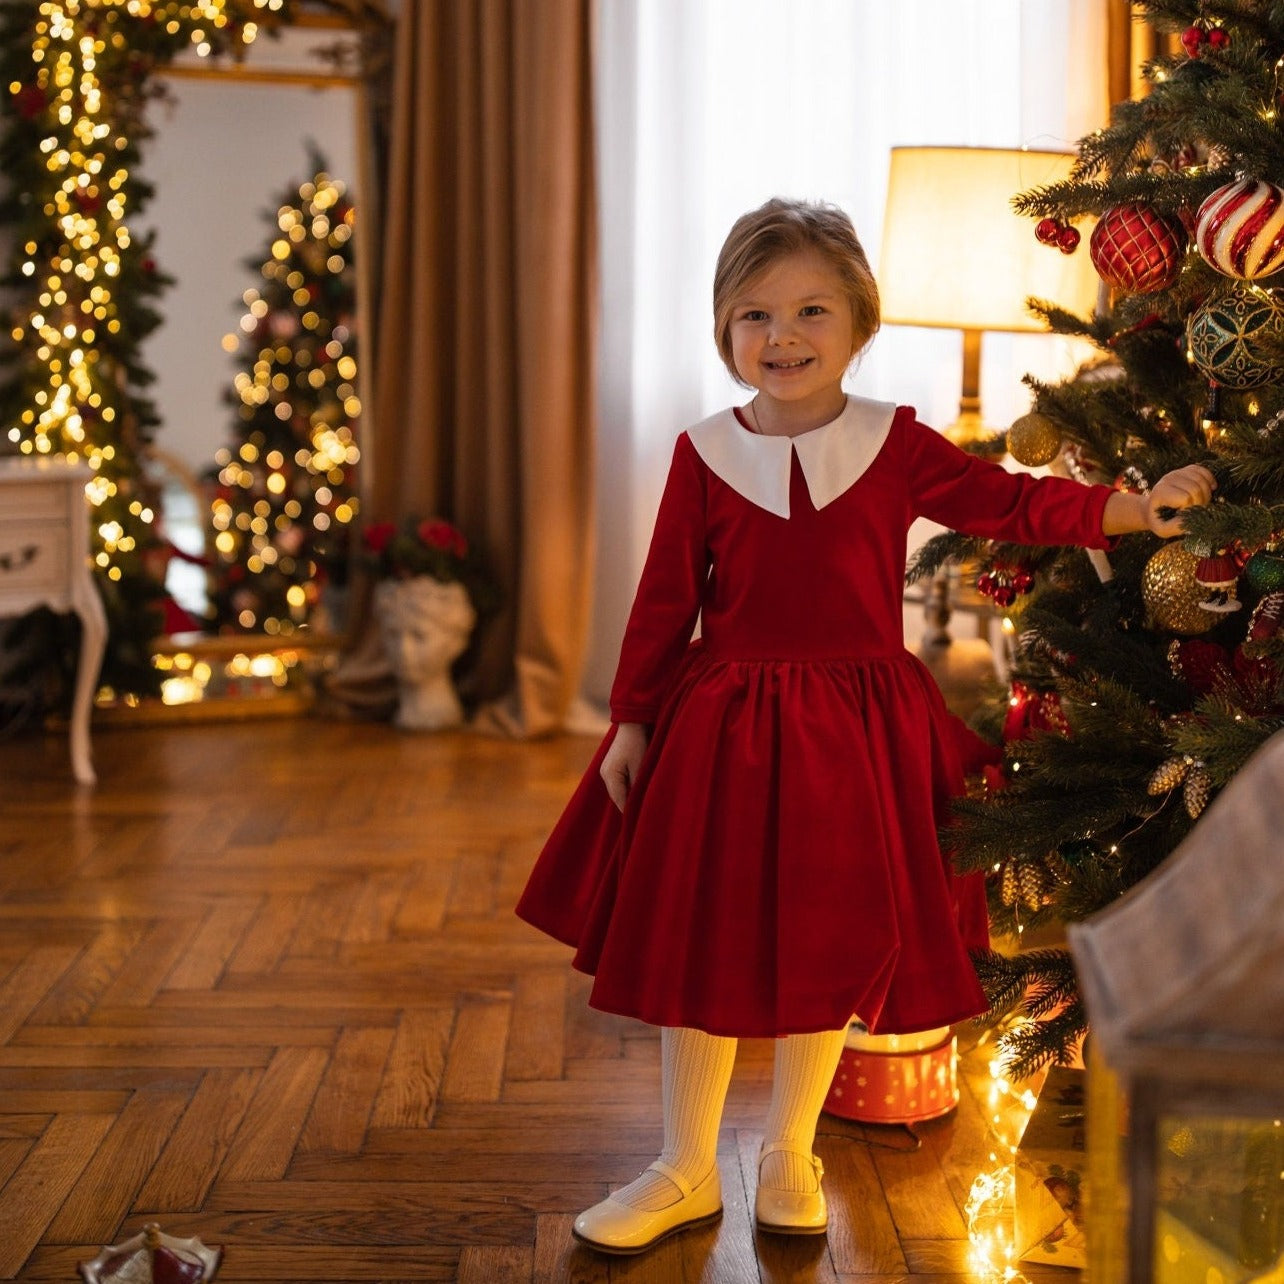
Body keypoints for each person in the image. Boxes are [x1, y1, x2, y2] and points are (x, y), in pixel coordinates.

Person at [515, 197, 1215, 1255]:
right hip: (725, 728)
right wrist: (631, 723)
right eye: (754, 315)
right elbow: (664, 601)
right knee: (704, 937)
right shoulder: (702, 452)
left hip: (856, 732)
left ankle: (790, 1152)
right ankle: (685, 1166)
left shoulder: (893, 444)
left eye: (809, 311)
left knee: (825, 936)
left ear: (858, 322)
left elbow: (1009, 503)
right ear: (723, 330)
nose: (782, 336)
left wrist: (1128, 509)